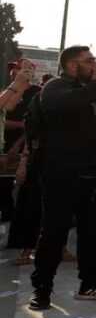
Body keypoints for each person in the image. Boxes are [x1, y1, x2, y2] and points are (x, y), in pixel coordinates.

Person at [29, 44, 96, 311]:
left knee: (91, 233)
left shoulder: (90, 88)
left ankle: (90, 283)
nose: (95, 65)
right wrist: (95, 86)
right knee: (54, 232)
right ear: (73, 65)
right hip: (60, 175)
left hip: (91, 175)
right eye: (89, 60)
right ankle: (42, 289)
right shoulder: (55, 88)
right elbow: (69, 103)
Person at [4, 61, 40, 265]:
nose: (15, 72)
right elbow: (7, 109)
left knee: (23, 197)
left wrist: (20, 151)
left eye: (22, 68)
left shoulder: (37, 93)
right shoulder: (12, 91)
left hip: (23, 154)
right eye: (15, 68)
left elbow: (31, 125)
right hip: (9, 151)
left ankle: (26, 247)